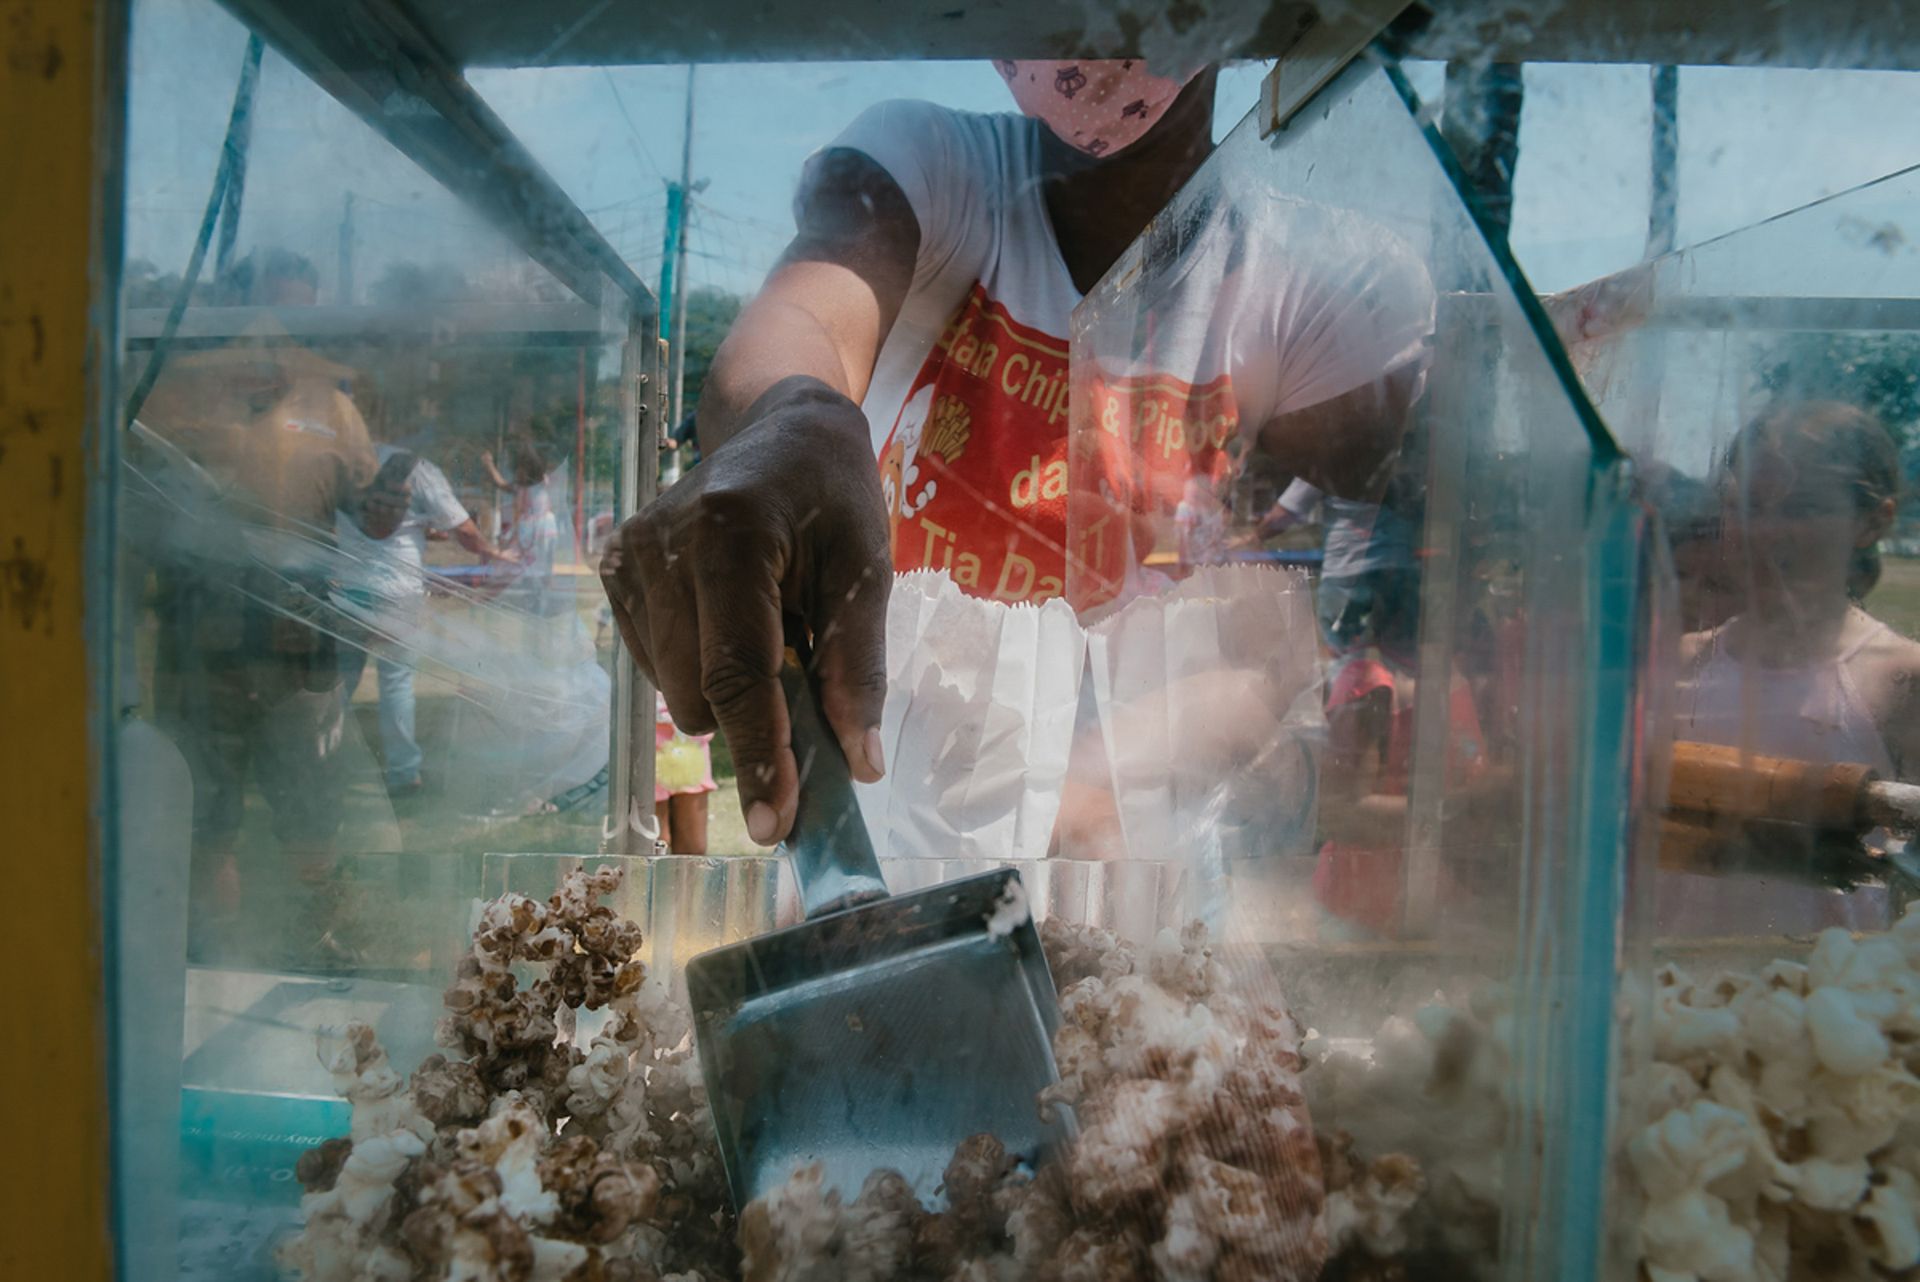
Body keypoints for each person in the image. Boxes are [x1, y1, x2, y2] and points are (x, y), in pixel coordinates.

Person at [601, 60, 1435, 846]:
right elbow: (801, 322)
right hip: (904, 823)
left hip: (1131, 847)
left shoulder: (1293, 283)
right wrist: (797, 419)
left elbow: (1416, 490)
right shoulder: (933, 170)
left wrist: (1091, 789)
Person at [135, 249, 407, 955]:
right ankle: (200, 960)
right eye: (267, 315)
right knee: (203, 814)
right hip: (201, 648)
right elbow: (135, 506)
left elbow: (371, 514)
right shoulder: (174, 392)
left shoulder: (332, 407)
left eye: (298, 320)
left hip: (298, 655)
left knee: (312, 816)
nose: (280, 337)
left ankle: (317, 951)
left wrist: (386, 505)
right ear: (234, 310)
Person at [1665, 401, 1920, 933]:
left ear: (1874, 521)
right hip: (1681, 989)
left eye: (1800, 508)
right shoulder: (1682, 661)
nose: (1767, 531)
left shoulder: (1901, 675)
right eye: (1748, 506)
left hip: (1832, 991)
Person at [334, 436, 511, 796]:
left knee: (339, 684)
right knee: (396, 682)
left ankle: (322, 760)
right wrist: (493, 552)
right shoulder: (419, 469)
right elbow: (463, 528)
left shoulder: (348, 461)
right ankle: (403, 773)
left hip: (347, 586)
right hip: (398, 591)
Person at [655, 693, 717, 853]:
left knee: (692, 848)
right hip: (645, 736)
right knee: (654, 842)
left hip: (691, 739)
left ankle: (686, 879)